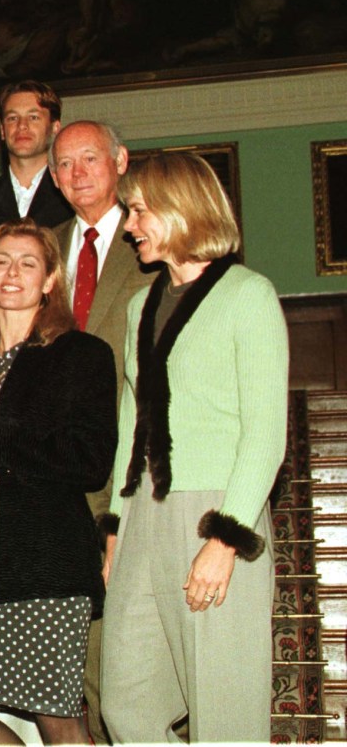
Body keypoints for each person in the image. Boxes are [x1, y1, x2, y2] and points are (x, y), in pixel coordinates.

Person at [100, 153, 288, 742]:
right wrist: (115, 527)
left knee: (225, 711)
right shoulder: (139, 306)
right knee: (125, 705)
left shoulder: (248, 295)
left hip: (218, 512)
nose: (130, 225)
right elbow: (132, 421)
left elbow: (265, 431)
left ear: (181, 207)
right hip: (143, 519)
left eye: (138, 210)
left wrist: (226, 539)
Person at [0, 220, 117, 745]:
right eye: (1, 262)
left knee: (58, 719)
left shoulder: (82, 355)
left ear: (50, 280)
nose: (12, 273)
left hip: (47, 563)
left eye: (28, 263)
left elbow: (89, 461)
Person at [49, 119, 156, 742]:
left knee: (142, 648)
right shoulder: (45, 246)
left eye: (89, 158)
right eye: (64, 165)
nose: (77, 174)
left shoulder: (154, 238)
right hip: (68, 475)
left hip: (138, 468)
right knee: (84, 650)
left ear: (119, 159)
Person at [0, 81, 73, 234]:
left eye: (33, 117)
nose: (22, 125)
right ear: (3, 131)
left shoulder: (71, 193)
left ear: (54, 128)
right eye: (12, 118)